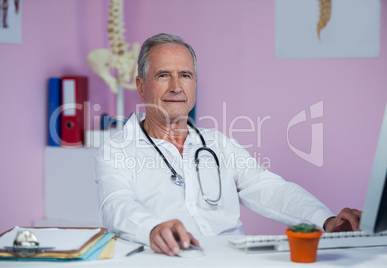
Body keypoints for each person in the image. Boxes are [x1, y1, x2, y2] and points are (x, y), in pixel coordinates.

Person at [95, 33, 361, 257]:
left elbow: (270, 189)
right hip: (169, 260)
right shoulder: (117, 150)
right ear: (141, 87)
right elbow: (116, 206)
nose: (176, 87)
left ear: (195, 84)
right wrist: (153, 228)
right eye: (164, 75)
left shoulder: (218, 144)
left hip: (233, 260)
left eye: (185, 75)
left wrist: (325, 220)